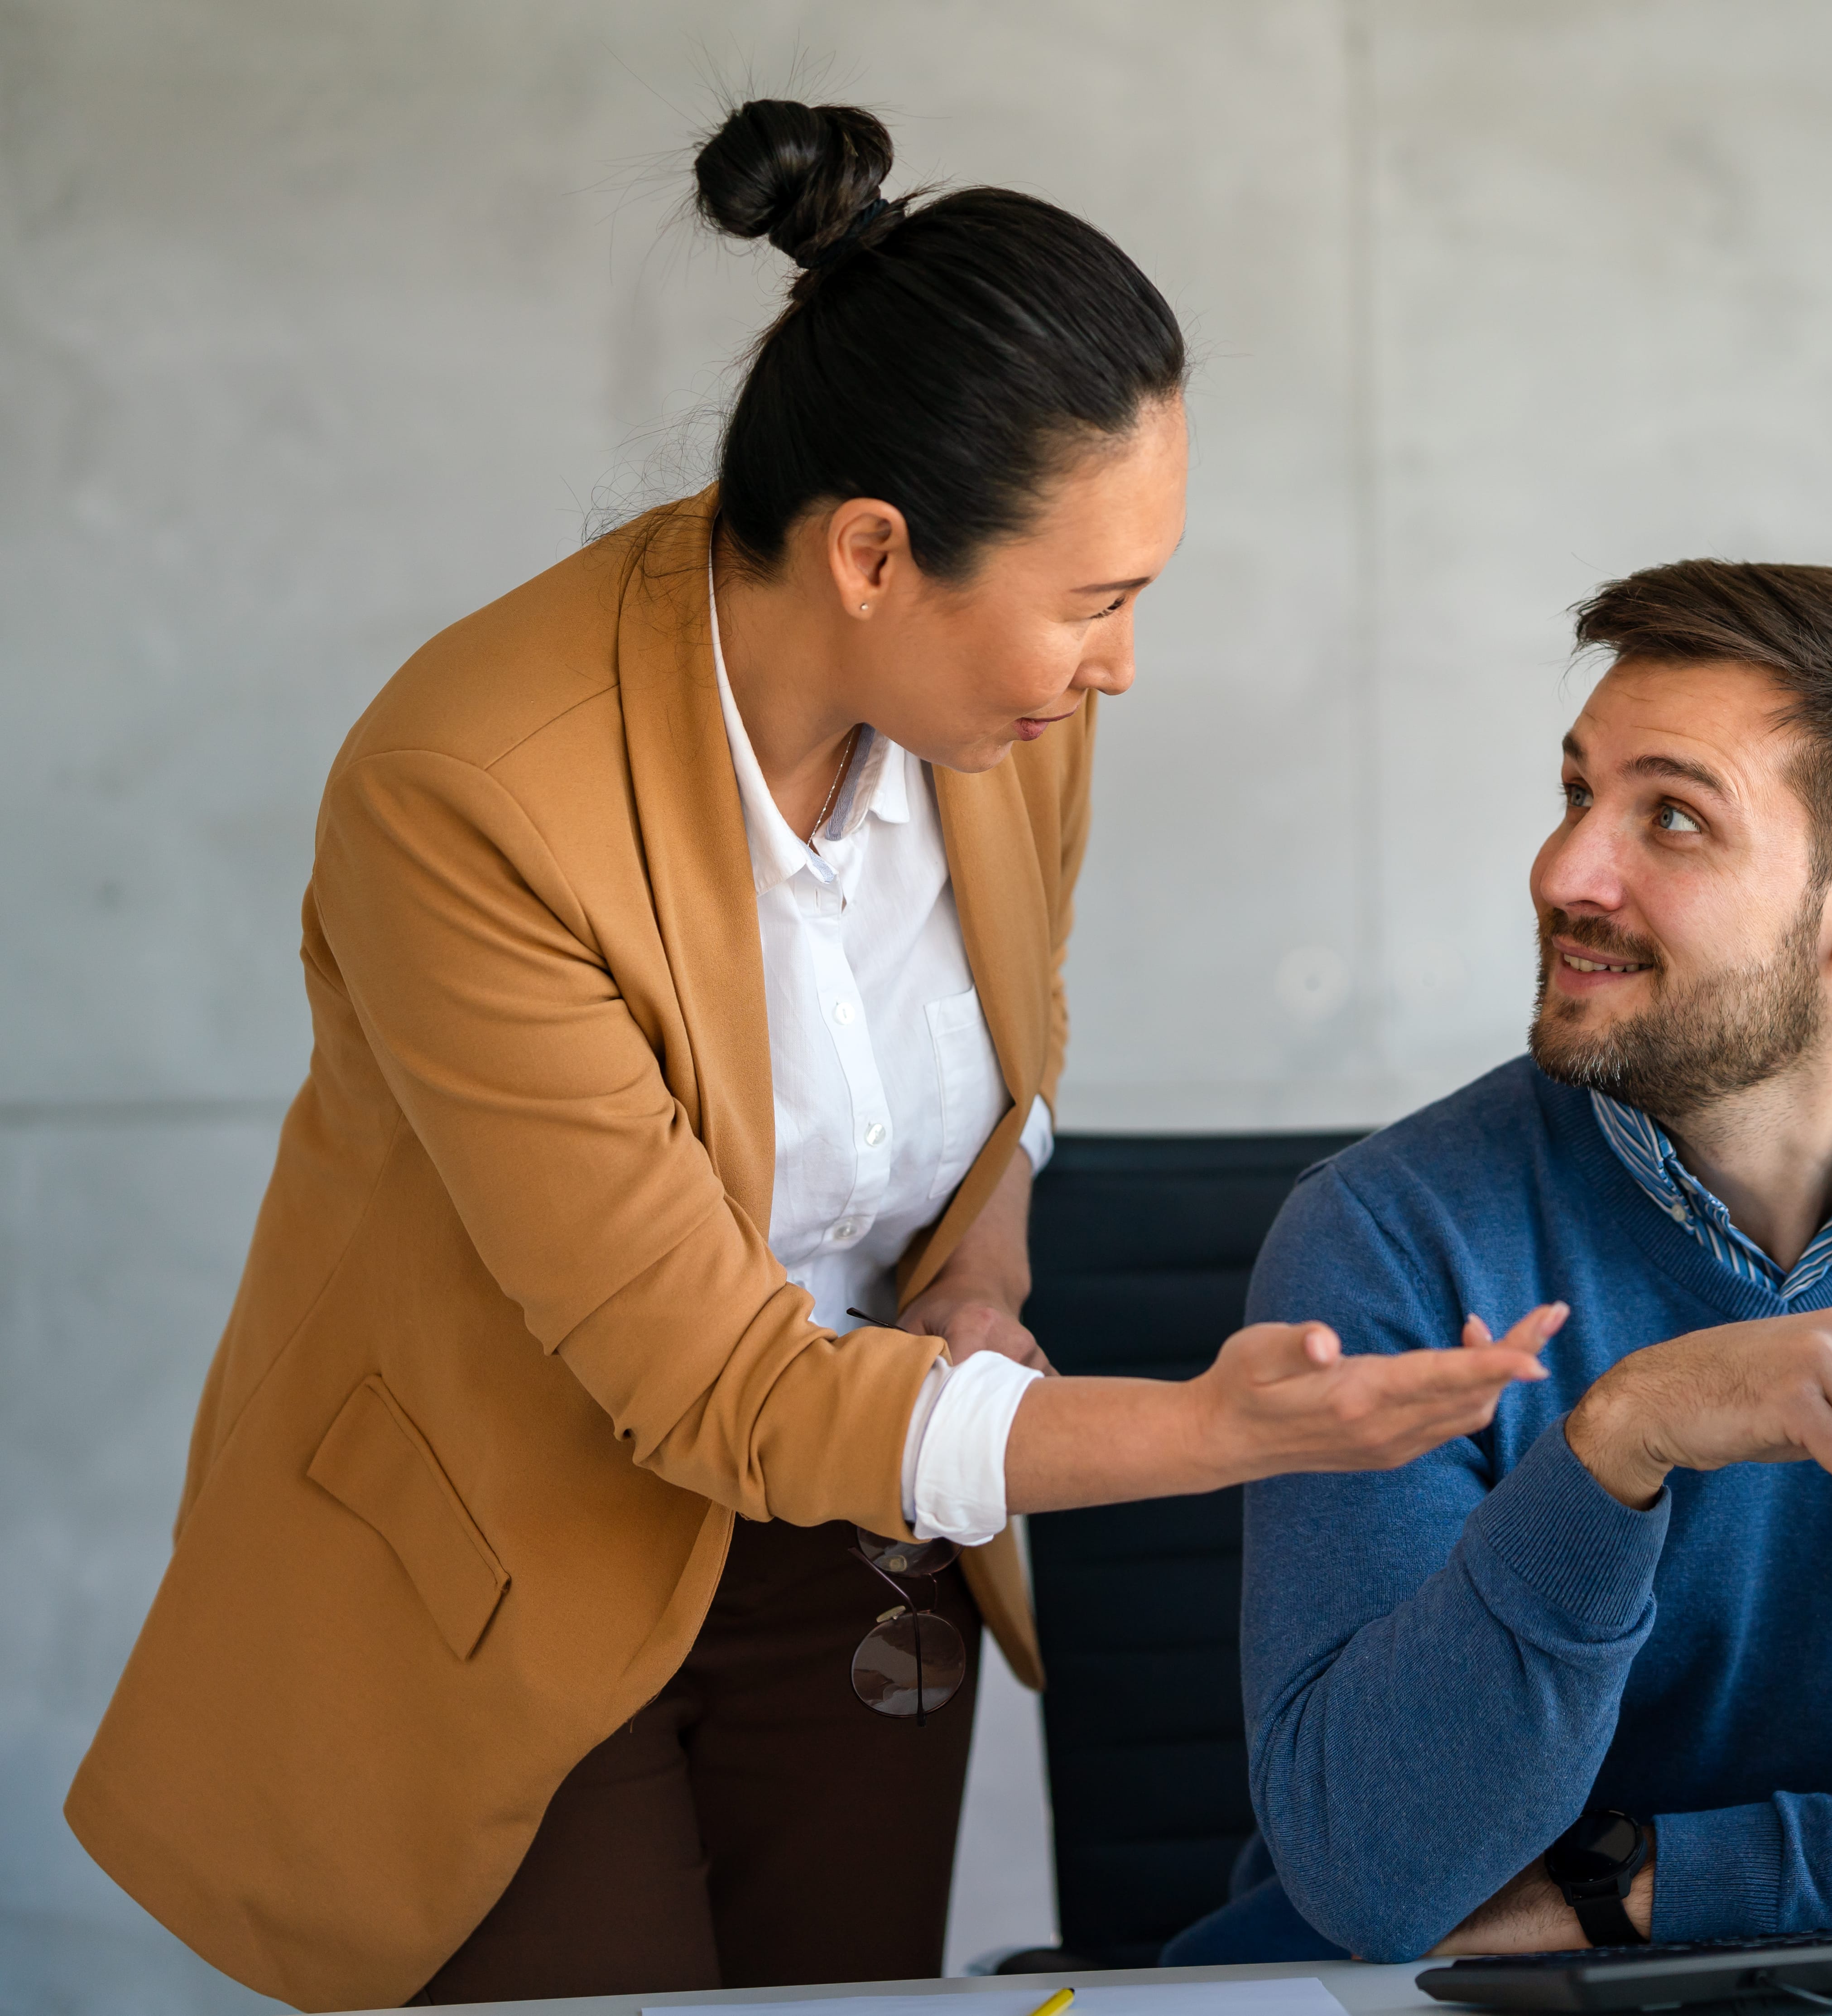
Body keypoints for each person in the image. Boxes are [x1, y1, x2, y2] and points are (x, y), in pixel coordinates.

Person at [63, 100, 1547, 2011]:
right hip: (519, 1564)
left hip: (859, 1545)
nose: (1118, 669)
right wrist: (1211, 1433)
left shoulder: (1003, 713)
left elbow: (1010, 1062)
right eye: (1095, 601)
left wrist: (983, 1266)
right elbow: (714, 1389)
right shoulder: (471, 793)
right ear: (871, 555)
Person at [1165, 560, 1832, 1965]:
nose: (1565, 871)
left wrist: (1637, 1895)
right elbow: (1379, 1873)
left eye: (1670, 817)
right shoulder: (1387, 1237)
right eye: (1577, 793)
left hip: (1825, 1983)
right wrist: (1619, 1439)